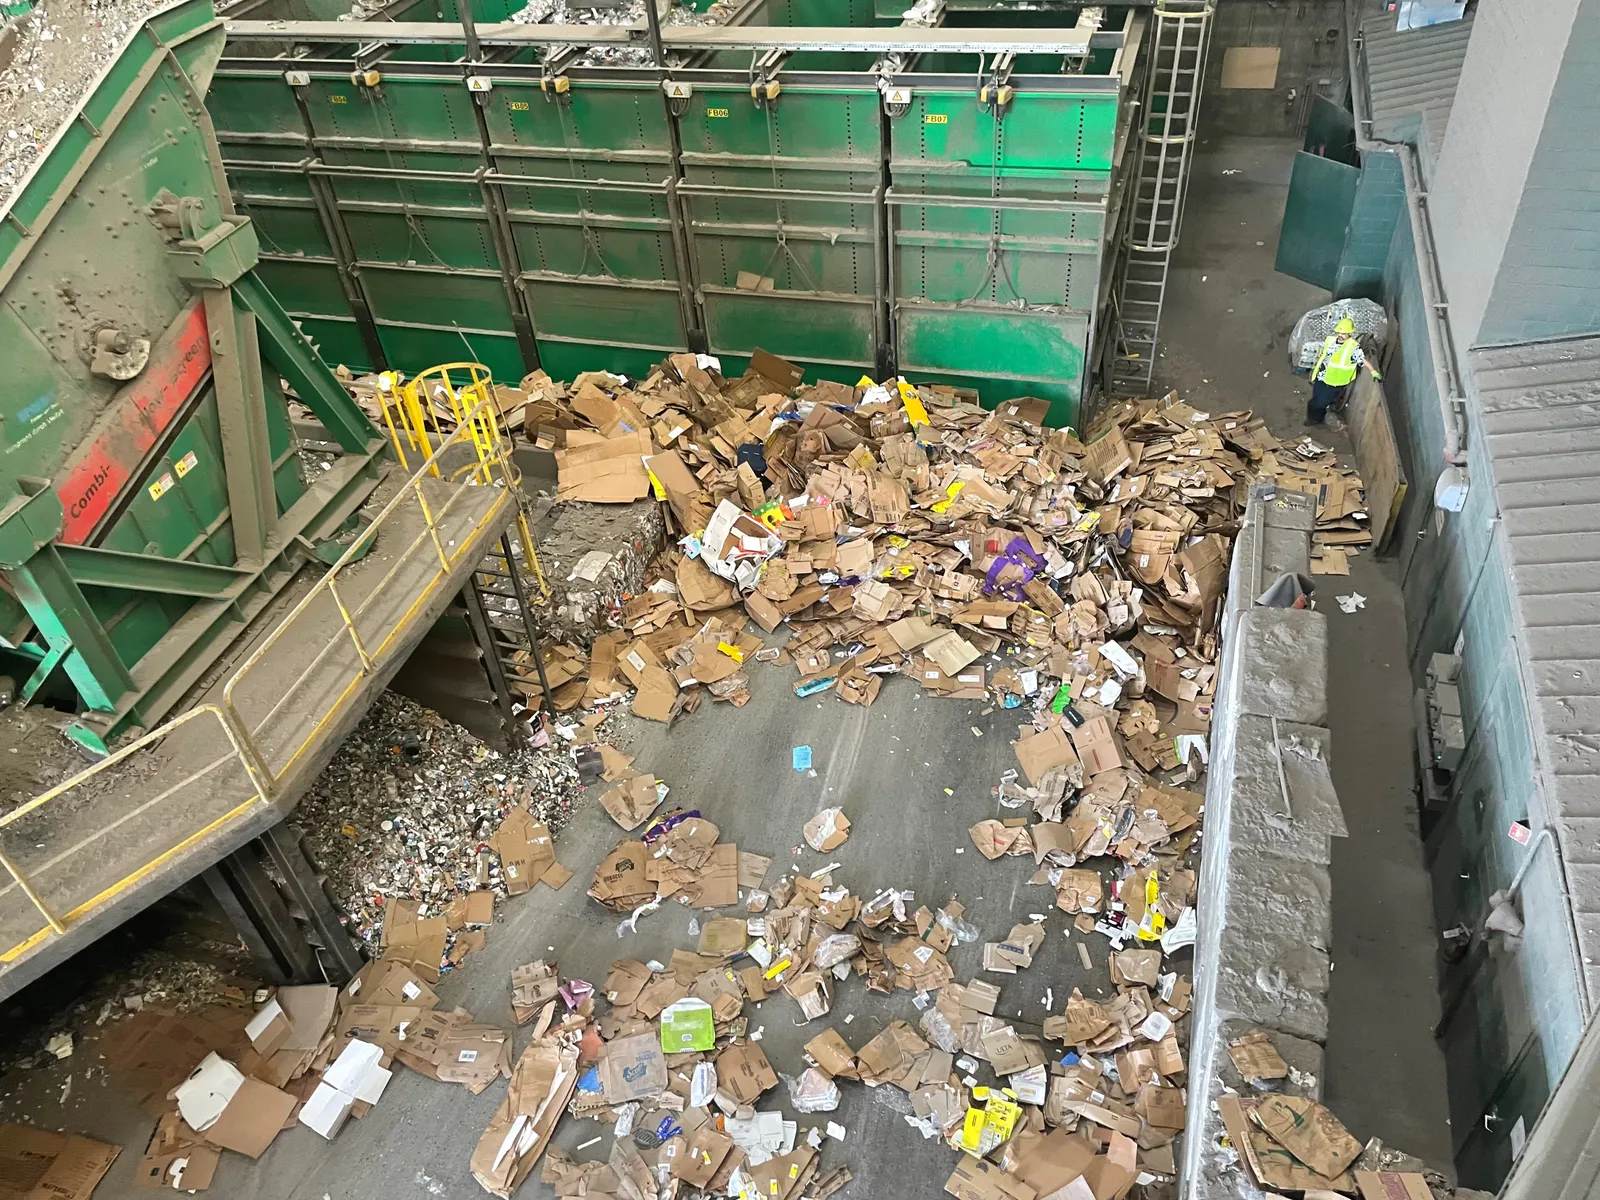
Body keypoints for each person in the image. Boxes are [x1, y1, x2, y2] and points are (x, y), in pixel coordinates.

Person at [1306, 317, 1380, 426]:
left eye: (1344, 333)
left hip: (1333, 383)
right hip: (1322, 377)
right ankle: (1318, 415)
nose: (1340, 335)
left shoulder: (1353, 348)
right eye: (1339, 332)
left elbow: (1363, 360)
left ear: (1350, 334)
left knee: (1317, 403)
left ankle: (1315, 419)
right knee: (1316, 398)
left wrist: (1373, 371)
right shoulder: (1331, 340)